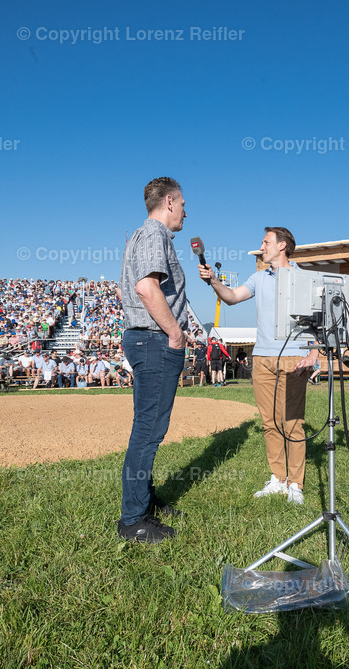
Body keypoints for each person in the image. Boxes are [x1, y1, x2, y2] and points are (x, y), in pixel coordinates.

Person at [200, 227, 318, 505]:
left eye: (266, 242)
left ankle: (296, 484)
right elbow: (231, 297)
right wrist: (214, 281)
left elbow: (317, 319)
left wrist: (314, 354)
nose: (261, 246)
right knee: (270, 423)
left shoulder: (303, 278)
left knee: (293, 423)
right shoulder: (258, 278)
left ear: (282, 246)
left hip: (293, 358)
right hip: (262, 359)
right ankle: (278, 478)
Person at [117, 176, 191, 543]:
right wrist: (175, 333)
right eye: (183, 205)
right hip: (154, 339)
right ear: (170, 201)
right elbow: (146, 288)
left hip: (145, 338)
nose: (186, 213)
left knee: (146, 427)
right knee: (148, 430)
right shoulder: (154, 234)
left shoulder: (140, 235)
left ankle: (144, 502)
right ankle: (133, 520)